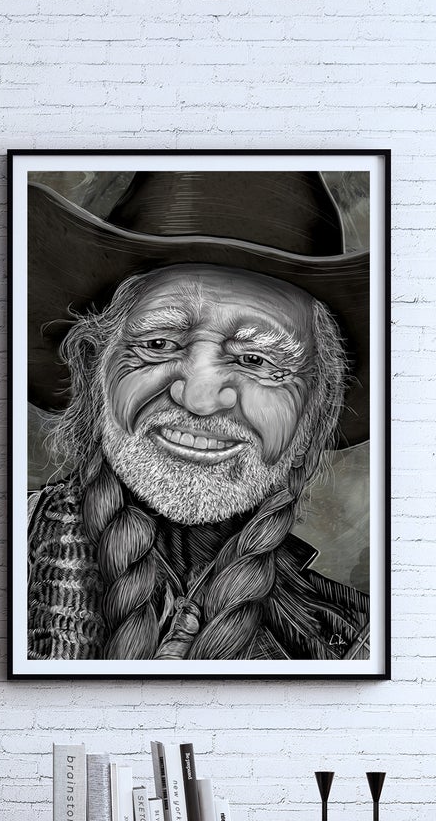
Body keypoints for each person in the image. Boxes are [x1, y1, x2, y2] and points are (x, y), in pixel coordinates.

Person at [24, 171, 372, 662]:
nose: (199, 398)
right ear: (92, 371)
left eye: (256, 361)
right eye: (158, 344)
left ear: (315, 413)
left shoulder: (351, 642)